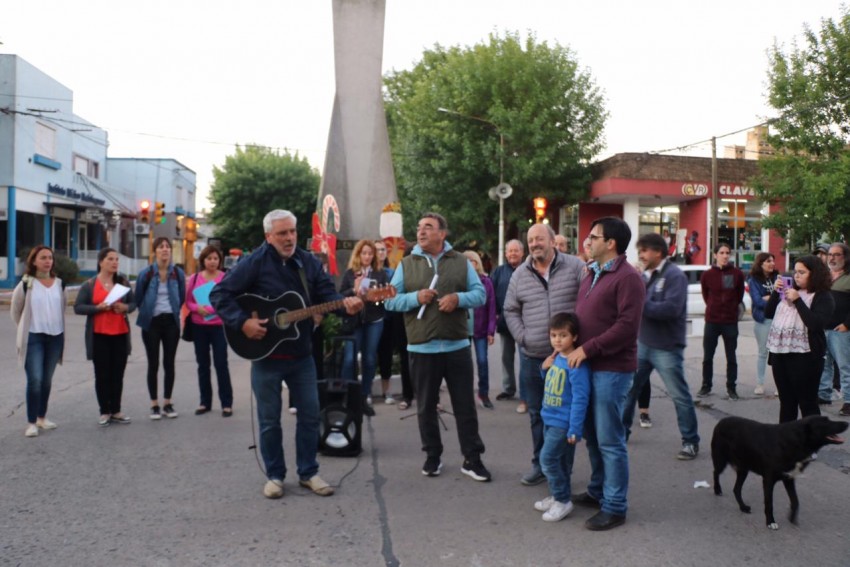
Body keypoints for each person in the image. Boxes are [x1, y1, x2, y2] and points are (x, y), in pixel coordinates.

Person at [210, 209, 363, 499]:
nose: (289, 238)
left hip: (301, 355)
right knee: (269, 421)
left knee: (308, 415)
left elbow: (327, 296)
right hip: (266, 356)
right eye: (282, 233)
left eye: (292, 231)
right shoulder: (253, 262)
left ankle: (308, 472)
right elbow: (220, 294)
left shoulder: (308, 262)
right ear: (269, 236)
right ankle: (275, 475)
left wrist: (347, 304)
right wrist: (243, 322)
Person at [384, 212, 491, 481]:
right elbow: (389, 301)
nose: (421, 232)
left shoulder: (461, 263)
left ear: (442, 233)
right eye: (419, 227)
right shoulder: (407, 264)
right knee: (426, 407)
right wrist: (414, 297)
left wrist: (458, 298)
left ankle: (472, 458)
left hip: (456, 346)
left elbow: (481, 294)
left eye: (428, 227)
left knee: (465, 406)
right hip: (422, 348)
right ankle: (433, 455)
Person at [569, 216, 645, 531]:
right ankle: (598, 490)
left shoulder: (628, 278)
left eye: (594, 236)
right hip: (588, 367)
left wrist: (588, 349)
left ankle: (614, 506)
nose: (588, 241)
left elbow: (626, 329)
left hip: (611, 370)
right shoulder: (592, 273)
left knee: (611, 440)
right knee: (594, 438)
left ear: (610, 243)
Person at [504, 224, 585, 487]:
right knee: (538, 415)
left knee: (566, 414)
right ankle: (540, 464)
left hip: (567, 359)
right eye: (530, 240)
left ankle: (563, 470)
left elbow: (588, 302)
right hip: (533, 357)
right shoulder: (520, 274)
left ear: (552, 241)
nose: (534, 243)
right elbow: (510, 310)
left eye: (539, 238)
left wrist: (580, 342)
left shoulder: (574, 267)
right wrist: (524, 337)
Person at [622, 233, 700, 460]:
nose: (641, 255)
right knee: (629, 391)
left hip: (667, 347)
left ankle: (690, 441)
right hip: (643, 343)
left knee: (679, 395)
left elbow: (671, 309)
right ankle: (621, 433)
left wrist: (641, 302)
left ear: (658, 251)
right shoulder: (646, 276)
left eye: (644, 250)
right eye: (640, 251)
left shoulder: (674, 276)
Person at [533, 313, 590, 522]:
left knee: (547, 459)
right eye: (553, 335)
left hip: (563, 423)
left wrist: (575, 428)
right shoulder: (556, 357)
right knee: (562, 461)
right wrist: (544, 369)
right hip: (549, 417)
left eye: (563, 335)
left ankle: (563, 500)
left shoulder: (576, 363)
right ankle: (558, 495)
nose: (557, 340)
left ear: (574, 337)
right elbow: (551, 383)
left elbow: (580, 398)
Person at [766, 255, 834, 423]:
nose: (796, 275)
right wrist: (775, 292)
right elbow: (768, 313)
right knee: (786, 402)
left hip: (806, 356)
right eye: (795, 271)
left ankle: (812, 445)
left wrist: (797, 301)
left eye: (802, 272)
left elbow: (815, 324)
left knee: (808, 403)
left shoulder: (823, 296)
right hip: (780, 353)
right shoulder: (789, 291)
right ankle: (786, 444)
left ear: (815, 274)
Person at [74, 248, 136, 426]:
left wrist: (125, 308)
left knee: (118, 374)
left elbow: (133, 303)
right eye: (110, 259)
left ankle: (116, 410)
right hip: (99, 335)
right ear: (101, 262)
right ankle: (104, 411)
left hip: (120, 334)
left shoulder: (122, 281)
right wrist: (97, 308)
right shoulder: (90, 284)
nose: (115, 262)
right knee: (102, 375)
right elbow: (78, 307)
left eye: (116, 259)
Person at [12, 246, 67, 437]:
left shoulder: (60, 284)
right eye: (43, 257)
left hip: (55, 337)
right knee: (35, 379)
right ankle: (31, 422)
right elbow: (16, 311)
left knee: (46, 381)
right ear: (34, 261)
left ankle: (42, 418)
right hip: (33, 337)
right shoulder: (26, 284)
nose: (47, 261)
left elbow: (62, 307)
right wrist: (25, 329)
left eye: (50, 258)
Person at [135, 237, 186, 420]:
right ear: (155, 251)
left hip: (171, 322)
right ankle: (154, 404)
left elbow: (181, 297)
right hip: (152, 323)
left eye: (167, 247)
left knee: (169, 363)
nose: (165, 250)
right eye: (161, 247)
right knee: (153, 363)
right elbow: (139, 297)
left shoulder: (177, 274)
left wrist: (171, 313)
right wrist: (149, 312)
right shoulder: (146, 273)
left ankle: (168, 402)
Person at [339, 239, 389, 417]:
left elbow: (384, 298)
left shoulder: (380, 274)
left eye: (370, 253)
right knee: (349, 359)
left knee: (369, 359)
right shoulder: (350, 273)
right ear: (358, 254)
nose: (367, 256)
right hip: (355, 321)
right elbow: (340, 296)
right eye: (364, 253)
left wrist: (376, 296)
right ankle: (346, 396)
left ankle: (363, 396)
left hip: (374, 320)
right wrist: (354, 290)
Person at [186, 245, 233, 417]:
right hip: (199, 326)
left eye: (215, 258)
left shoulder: (224, 278)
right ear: (203, 260)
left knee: (221, 364)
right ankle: (204, 402)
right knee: (203, 365)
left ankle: (226, 403)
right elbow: (188, 301)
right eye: (209, 258)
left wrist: (212, 309)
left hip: (219, 326)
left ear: (219, 261)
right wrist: (198, 308)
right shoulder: (195, 278)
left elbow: (229, 300)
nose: (212, 262)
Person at [697, 243, 745, 400]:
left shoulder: (737, 274)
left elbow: (739, 296)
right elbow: (706, 295)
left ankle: (732, 388)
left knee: (731, 357)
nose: (725, 256)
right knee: (707, 356)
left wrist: (730, 308)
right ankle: (706, 386)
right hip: (712, 321)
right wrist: (713, 307)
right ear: (715, 255)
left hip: (730, 321)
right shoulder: (707, 275)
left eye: (727, 252)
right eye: (722, 252)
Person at [490, 239, 524, 404]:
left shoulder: (528, 270)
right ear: (506, 254)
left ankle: (526, 391)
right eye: (510, 251)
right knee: (506, 357)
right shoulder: (498, 272)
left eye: (516, 251)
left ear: (522, 253)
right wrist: (495, 313)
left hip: (525, 323)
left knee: (526, 358)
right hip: (504, 322)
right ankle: (508, 388)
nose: (512, 254)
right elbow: (491, 294)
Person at [818, 243, 850, 415]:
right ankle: (824, 394)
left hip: (842, 330)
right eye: (830, 254)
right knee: (824, 364)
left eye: (836, 254)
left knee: (845, 367)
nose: (832, 258)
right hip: (824, 328)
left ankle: (849, 401)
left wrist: (847, 325)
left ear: (845, 257)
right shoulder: (825, 277)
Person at [463, 250, 496, 409]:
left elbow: (491, 307)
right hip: (462, 330)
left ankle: (483, 393)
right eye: (466, 261)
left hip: (481, 329)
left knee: (482, 361)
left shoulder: (485, 281)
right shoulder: (459, 281)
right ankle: (465, 395)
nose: (470, 264)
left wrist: (491, 331)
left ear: (477, 263)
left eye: (473, 261)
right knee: (464, 364)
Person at [747, 253, 780, 396]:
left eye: (773, 261)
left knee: (779, 354)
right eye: (768, 261)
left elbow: (783, 299)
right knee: (763, 353)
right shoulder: (753, 280)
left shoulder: (778, 278)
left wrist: (769, 297)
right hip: (763, 320)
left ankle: (780, 385)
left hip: (779, 320)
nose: (772, 263)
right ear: (760, 263)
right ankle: (760, 384)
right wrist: (773, 296)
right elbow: (757, 302)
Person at [374, 239, 398, 405]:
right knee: (369, 355)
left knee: (386, 354)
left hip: (389, 317)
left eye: (383, 249)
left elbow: (397, 292)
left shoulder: (392, 272)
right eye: (377, 250)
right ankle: (366, 391)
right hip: (371, 318)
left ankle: (386, 390)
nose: (381, 253)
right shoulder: (367, 272)